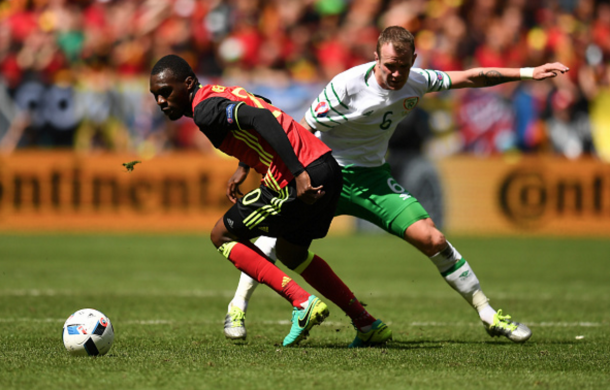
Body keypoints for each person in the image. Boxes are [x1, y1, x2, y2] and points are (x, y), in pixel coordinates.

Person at [223, 26, 570, 344]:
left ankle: (489, 314)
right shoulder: (345, 86)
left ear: (413, 61)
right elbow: (294, 130)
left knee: (432, 238)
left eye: (403, 66)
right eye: (389, 65)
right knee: (272, 237)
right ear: (376, 58)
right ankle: (237, 307)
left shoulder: (417, 79)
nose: (396, 74)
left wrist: (529, 72)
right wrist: (261, 167)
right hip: (324, 173)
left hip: (372, 179)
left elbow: (472, 76)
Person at [149, 54, 392, 347]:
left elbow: (261, 117)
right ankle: (367, 324)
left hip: (297, 176)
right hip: (327, 166)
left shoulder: (203, 110)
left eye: (166, 91)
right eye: (156, 95)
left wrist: (298, 171)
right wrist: (243, 166)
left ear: (188, 83)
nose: (161, 101)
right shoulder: (217, 93)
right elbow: (261, 102)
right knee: (292, 253)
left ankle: (301, 302)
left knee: (221, 234)